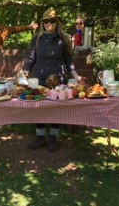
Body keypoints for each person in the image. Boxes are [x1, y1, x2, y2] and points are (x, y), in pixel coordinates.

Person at [23, 9, 87, 152]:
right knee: (38, 108)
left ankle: (53, 138)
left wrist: (77, 77)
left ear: (56, 22)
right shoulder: (37, 39)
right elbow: (31, 59)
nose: (49, 23)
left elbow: (68, 61)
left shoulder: (62, 39)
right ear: (42, 23)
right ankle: (40, 138)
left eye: (52, 21)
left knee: (56, 109)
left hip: (59, 79)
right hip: (40, 79)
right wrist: (24, 74)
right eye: (46, 21)